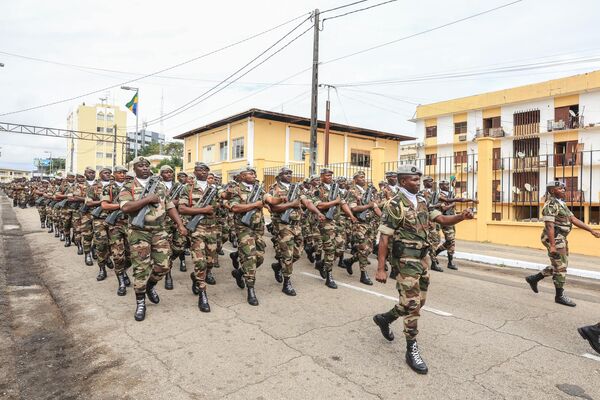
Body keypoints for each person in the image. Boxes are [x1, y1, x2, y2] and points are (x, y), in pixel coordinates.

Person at [373, 165, 474, 375]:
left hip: (423, 258)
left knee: (420, 302)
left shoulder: (422, 201)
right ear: (402, 182)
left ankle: (385, 318)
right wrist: (381, 268)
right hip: (405, 260)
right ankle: (411, 348)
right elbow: (384, 238)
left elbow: (442, 219)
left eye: (419, 179)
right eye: (413, 180)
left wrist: (461, 217)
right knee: (412, 305)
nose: (418, 183)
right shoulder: (394, 204)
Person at [119, 156, 188, 321]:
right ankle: (140, 302)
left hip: (160, 230)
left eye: (146, 166)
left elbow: (169, 205)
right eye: (140, 166)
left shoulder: (160, 185)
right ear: (134, 169)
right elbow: (126, 207)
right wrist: (147, 199)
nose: (144, 168)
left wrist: (180, 225)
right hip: (138, 232)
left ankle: (150, 285)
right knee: (141, 269)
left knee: (164, 265)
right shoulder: (128, 186)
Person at [525, 180, 600, 306]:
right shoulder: (550, 205)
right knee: (561, 267)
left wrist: (591, 230)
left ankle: (534, 278)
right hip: (554, 238)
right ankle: (559, 296)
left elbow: (573, 219)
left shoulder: (561, 204)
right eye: (560, 188)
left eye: (564, 188)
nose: (564, 190)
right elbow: (549, 226)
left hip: (561, 238)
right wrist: (553, 245)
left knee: (559, 265)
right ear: (553, 190)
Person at [264, 167, 325, 296]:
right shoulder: (274, 188)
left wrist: (318, 212)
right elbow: (274, 208)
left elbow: (307, 202)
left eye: (290, 173)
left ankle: (279, 266)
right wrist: (291, 205)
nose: (289, 175)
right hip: (283, 226)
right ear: (279, 175)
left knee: (297, 254)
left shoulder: (295, 187)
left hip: (296, 226)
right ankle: (287, 283)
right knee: (287, 255)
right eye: (286, 173)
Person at [178, 162, 221, 312]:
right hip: (196, 229)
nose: (201, 172)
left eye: (204, 170)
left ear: (208, 172)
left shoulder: (215, 189)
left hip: (212, 229)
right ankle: (203, 294)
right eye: (198, 170)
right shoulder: (187, 188)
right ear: (194, 172)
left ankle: (196, 277)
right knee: (200, 262)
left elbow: (222, 204)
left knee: (210, 262)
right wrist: (204, 209)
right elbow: (182, 208)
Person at [311, 168, 357, 289]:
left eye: (331, 175)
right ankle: (329, 275)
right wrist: (334, 202)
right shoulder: (317, 189)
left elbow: (343, 203)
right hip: (325, 222)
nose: (330, 177)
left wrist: (351, 216)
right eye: (327, 175)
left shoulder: (335, 188)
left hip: (337, 222)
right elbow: (319, 205)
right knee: (330, 249)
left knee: (340, 247)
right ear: (321, 176)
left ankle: (322, 264)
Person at [227, 167, 266, 305]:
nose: (254, 174)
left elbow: (270, 200)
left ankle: (239, 272)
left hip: (258, 229)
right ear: (242, 176)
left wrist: (280, 199)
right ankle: (251, 290)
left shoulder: (259, 189)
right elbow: (235, 207)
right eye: (250, 173)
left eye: (254, 173)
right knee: (250, 259)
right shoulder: (236, 189)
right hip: (244, 229)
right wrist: (255, 204)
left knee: (259, 258)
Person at [342, 171, 381, 285]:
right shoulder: (352, 191)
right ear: (355, 179)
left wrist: (382, 217)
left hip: (370, 223)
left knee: (369, 249)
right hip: (359, 224)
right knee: (363, 248)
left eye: (364, 177)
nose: (363, 179)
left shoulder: (367, 192)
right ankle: (363, 274)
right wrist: (368, 205)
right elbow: (353, 208)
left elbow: (375, 207)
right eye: (360, 177)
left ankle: (350, 261)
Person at [100, 165, 132, 296]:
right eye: (119, 173)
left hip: (130, 224)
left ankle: (123, 271)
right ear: (114, 174)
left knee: (131, 255)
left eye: (124, 173)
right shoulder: (108, 188)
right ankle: (121, 282)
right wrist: (122, 206)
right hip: (116, 225)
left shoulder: (132, 187)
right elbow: (104, 205)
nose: (122, 175)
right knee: (118, 255)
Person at [435, 179, 478, 270]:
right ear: (441, 186)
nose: (447, 186)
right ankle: (446, 260)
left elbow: (456, 202)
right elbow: (444, 208)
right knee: (451, 241)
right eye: (445, 185)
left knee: (450, 241)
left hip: (453, 218)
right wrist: (452, 204)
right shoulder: (439, 195)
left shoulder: (451, 194)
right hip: (445, 219)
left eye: (447, 184)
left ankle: (437, 255)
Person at [159, 165, 187, 290]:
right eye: (165, 172)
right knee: (166, 247)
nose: (169, 174)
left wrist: (172, 202)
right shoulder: (157, 185)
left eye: (170, 172)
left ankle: (168, 261)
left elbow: (184, 201)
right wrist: (171, 203)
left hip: (178, 219)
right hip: (163, 221)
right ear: (161, 174)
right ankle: (168, 274)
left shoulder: (180, 186)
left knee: (180, 246)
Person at [86, 167, 113, 280]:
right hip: (99, 219)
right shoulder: (93, 187)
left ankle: (108, 258)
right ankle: (102, 269)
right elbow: (88, 202)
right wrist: (102, 202)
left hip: (114, 219)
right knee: (101, 244)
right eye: (105, 173)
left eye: (109, 173)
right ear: (100, 174)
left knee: (115, 245)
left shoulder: (115, 186)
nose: (108, 174)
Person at [420, 176, 443, 272]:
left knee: (436, 240)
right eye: (429, 181)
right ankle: (424, 261)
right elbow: (423, 206)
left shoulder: (434, 193)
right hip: (425, 221)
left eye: (432, 181)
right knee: (425, 242)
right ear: (424, 182)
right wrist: (434, 205)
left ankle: (433, 261)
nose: (431, 183)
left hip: (433, 221)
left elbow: (441, 204)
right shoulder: (421, 193)